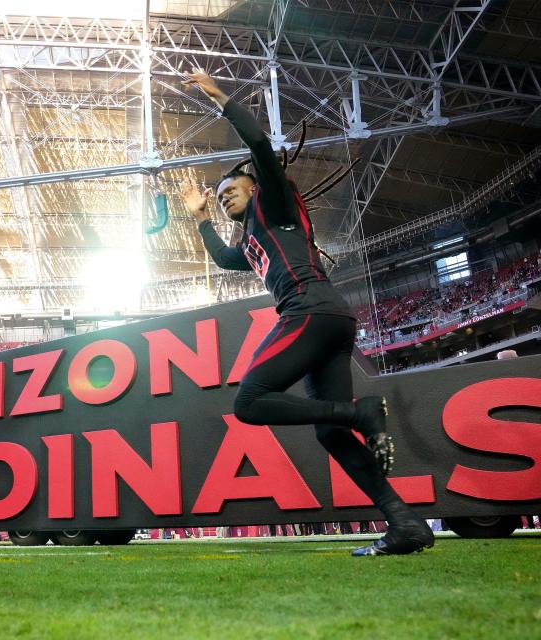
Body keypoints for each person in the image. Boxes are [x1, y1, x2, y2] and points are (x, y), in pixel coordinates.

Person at [179, 69, 433, 556]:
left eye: (228, 189)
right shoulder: (253, 235)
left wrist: (220, 95)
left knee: (249, 402)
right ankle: (405, 523)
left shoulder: (272, 201)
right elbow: (225, 260)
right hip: (329, 319)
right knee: (331, 435)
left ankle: (359, 412)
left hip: (310, 311)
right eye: (217, 197)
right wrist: (203, 221)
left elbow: (257, 143)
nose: (222, 195)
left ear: (254, 186)